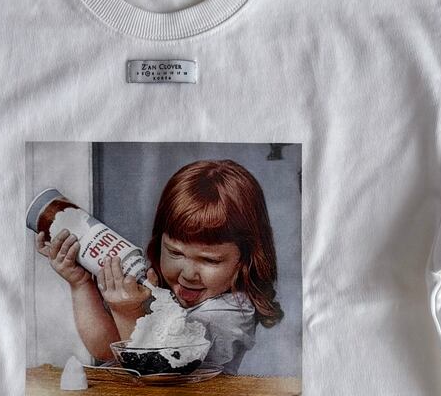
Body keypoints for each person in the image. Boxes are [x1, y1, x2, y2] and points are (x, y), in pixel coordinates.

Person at [36, 158, 284, 374]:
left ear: (246, 259)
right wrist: (81, 283)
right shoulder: (160, 292)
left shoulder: (231, 313)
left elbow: (158, 370)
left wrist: (127, 312)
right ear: (159, 243)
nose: (188, 274)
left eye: (210, 260)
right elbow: (107, 350)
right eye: (175, 252)